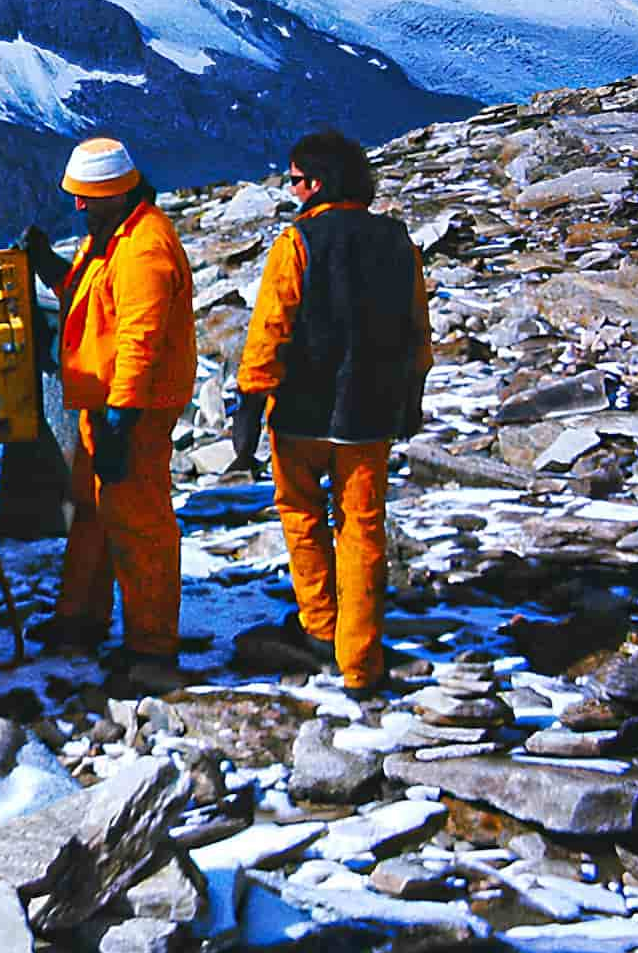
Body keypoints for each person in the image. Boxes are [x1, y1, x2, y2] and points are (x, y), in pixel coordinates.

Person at [231, 130, 432, 700]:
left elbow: (270, 330)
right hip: (370, 414)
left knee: (301, 514)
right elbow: (418, 330)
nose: (290, 189)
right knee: (362, 529)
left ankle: (319, 626)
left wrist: (249, 408)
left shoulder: (297, 243)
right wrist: (410, 399)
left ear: (315, 183)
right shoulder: (398, 241)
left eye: (294, 179)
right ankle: (361, 663)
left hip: (301, 410)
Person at [21, 137, 195, 675]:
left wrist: (122, 418)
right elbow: (88, 296)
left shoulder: (144, 248)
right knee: (93, 512)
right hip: (105, 404)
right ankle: (80, 618)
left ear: (114, 194)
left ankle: (152, 646)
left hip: (132, 408)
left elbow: (139, 341)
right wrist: (48, 264)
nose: (77, 205)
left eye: (86, 196)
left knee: (140, 522)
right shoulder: (111, 236)